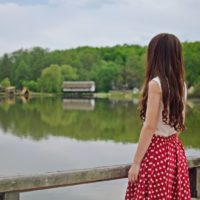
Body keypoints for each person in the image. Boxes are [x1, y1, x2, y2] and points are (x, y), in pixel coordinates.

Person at [124, 33, 191, 199]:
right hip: (175, 151)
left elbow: (149, 126)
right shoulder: (181, 84)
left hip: (156, 153)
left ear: (155, 55)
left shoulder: (156, 84)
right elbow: (180, 124)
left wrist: (136, 163)